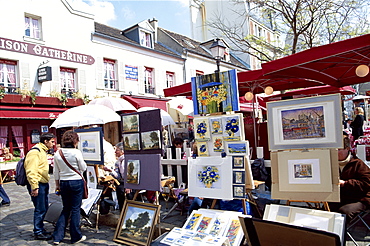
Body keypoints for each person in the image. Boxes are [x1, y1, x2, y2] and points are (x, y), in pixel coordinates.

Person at [52, 130, 87, 245]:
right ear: (75, 141)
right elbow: (83, 167)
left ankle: (57, 237)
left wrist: (57, 186)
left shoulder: (58, 153)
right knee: (76, 209)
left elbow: (56, 172)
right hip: (76, 181)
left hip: (63, 182)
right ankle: (75, 236)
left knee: (66, 208)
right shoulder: (76, 152)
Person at [329, 135, 370, 221]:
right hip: (343, 197)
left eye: (339, 149)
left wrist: (345, 183)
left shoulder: (358, 164)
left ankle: (342, 233)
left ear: (347, 149)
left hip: (361, 198)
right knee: (326, 209)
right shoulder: (331, 163)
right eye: (334, 149)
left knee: (344, 212)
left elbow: (366, 184)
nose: (336, 152)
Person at [24, 133, 56, 240]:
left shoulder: (42, 151)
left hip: (43, 183)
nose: (54, 143)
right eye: (52, 141)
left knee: (43, 207)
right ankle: (38, 231)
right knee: (40, 208)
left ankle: (41, 228)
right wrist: (34, 186)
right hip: (38, 184)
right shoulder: (35, 152)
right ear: (45, 141)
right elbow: (31, 170)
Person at [106, 142, 133, 211]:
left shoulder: (128, 160)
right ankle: (122, 211)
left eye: (117, 150)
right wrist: (110, 171)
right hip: (123, 182)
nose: (115, 152)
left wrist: (128, 185)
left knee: (126, 193)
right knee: (119, 189)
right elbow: (118, 176)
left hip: (130, 183)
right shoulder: (118, 162)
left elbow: (130, 174)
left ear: (122, 151)